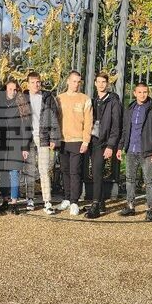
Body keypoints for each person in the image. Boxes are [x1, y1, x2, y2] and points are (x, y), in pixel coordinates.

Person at [116, 83, 152, 222]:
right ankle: (130, 206)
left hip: (147, 152)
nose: (142, 94)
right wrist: (120, 147)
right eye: (139, 92)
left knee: (149, 181)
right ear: (134, 93)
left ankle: (149, 209)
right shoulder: (130, 109)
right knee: (130, 180)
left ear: (148, 93)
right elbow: (125, 130)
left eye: (145, 92)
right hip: (131, 150)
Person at [85, 72, 122, 219]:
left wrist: (111, 146)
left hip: (104, 142)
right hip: (93, 140)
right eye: (98, 82)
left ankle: (95, 205)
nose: (101, 84)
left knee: (97, 172)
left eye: (103, 82)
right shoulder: (93, 100)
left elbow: (116, 126)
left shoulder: (113, 101)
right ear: (95, 83)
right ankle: (100, 202)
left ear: (107, 84)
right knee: (96, 172)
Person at [23, 72, 61, 214]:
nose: (36, 85)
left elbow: (54, 117)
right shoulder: (23, 98)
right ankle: (30, 199)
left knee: (44, 169)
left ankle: (47, 201)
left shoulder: (47, 97)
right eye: (32, 82)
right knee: (30, 169)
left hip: (43, 136)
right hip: (28, 137)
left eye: (38, 82)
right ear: (28, 84)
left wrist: (54, 138)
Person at [56, 70, 93, 216]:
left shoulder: (85, 99)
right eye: (74, 81)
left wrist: (86, 141)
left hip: (78, 141)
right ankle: (66, 198)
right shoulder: (59, 98)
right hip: (62, 140)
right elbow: (55, 120)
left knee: (75, 172)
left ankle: (74, 202)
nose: (76, 84)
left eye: (78, 82)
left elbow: (89, 122)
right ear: (68, 81)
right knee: (65, 171)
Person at [0, 79, 31, 214]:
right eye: (10, 89)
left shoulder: (22, 105)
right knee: (3, 173)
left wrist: (25, 147)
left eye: (15, 89)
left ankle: (14, 202)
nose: (13, 92)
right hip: (2, 143)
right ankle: (5, 200)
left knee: (14, 173)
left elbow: (26, 127)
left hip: (16, 144)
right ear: (5, 90)